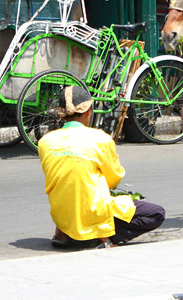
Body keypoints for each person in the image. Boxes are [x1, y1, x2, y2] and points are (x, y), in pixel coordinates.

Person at [38, 85, 165, 249]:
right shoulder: (99, 139)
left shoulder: (45, 142)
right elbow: (114, 179)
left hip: (62, 215)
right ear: (88, 111)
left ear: (62, 114)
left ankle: (64, 232)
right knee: (156, 213)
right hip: (93, 211)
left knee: (71, 188)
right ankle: (97, 236)